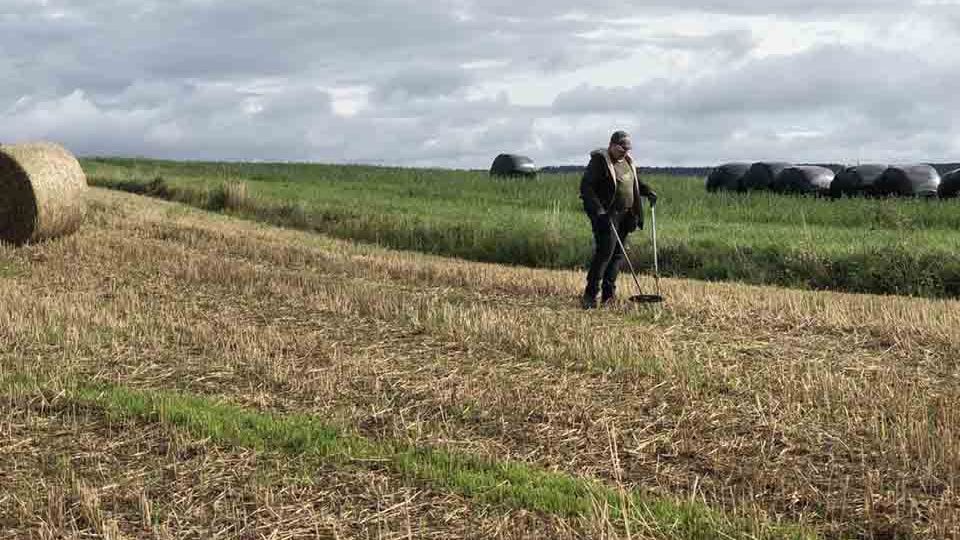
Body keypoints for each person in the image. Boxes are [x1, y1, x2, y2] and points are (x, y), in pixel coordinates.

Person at [579, 130, 657, 308]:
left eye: (628, 149)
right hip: (607, 216)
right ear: (612, 145)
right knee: (605, 253)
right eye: (622, 148)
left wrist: (648, 191)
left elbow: (634, 181)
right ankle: (590, 296)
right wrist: (599, 210)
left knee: (616, 256)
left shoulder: (627, 161)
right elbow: (587, 188)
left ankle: (609, 296)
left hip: (626, 215)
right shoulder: (600, 161)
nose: (625, 152)